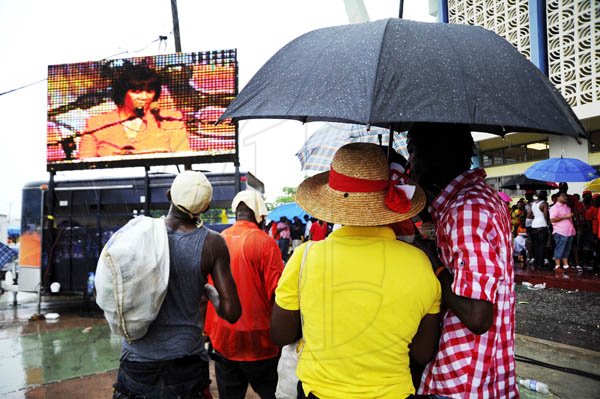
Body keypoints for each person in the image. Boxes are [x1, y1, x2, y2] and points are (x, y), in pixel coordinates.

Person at [271, 143, 441, 399]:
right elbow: (422, 353)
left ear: (331, 199)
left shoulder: (305, 257)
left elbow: (281, 334)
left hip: (319, 391)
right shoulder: (420, 263)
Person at [407, 123, 518, 398]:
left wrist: (434, 264)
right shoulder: (481, 198)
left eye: (413, 151)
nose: (410, 163)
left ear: (437, 154)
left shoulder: (466, 210)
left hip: (462, 380)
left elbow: (478, 316)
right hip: (485, 375)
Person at [113, 170, 241, 399]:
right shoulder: (212, 243)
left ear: (169, 195)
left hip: (138, 360)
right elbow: (232, 312)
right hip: (186, 363)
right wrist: (209, 291)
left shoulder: (140, 233)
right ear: (205, 207)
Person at [205, 190, 284, 399]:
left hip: (224, 337)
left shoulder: (218, 240)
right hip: (260, 342)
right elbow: (277, 295)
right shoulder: (266, 243)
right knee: (271, 393)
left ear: (236, 212)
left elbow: (208, 289)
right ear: (259, 214)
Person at [79, 64, 190, 158]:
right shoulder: (97, 124)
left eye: (149, 91)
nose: (144, 97)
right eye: (137, 91)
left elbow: (183, 161)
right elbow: (84, 169)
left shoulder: (170, 120)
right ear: (123, 92)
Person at [550, 192, 575, 271]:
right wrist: (566, 217)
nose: (565, 197)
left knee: (567, 248)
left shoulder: (568, 207)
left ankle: (565, 264)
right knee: (560, 248)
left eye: (566, 196)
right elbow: (552, 219)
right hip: (560, 231)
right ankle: (557, 265)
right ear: (557, 198)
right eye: (563, 196)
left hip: (570, 231)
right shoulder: (555, 207)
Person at [528, 190, 551, 270]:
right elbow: (545, 215)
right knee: (542, 246)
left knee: (536, 245)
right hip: (542, 225)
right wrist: (548, 222)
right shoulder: (544, 203)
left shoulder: (533, 204)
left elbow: (529, 215)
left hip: (534, 225)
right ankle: (541, 264)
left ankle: (536, 263)